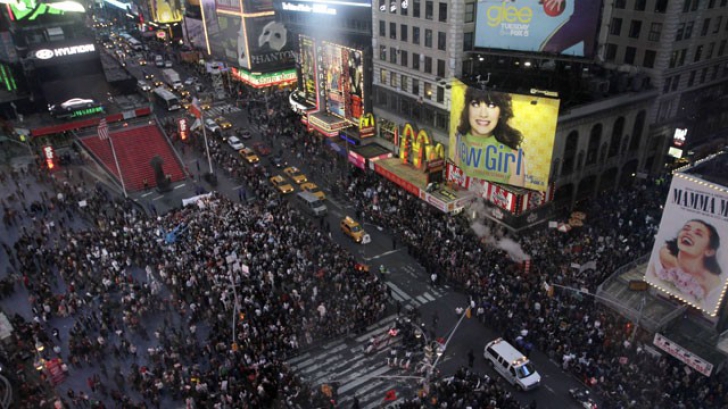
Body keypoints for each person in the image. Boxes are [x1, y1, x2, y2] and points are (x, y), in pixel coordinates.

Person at [453, 87, 526, 187]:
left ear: (501, 112)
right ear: (467, 109)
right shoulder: (460, 140)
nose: (483, 114)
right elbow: (455, 183)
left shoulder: (514, 158)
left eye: (491, 105)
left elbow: (513, 197)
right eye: (475, 104)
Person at [649, 219, 723, 308]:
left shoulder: (713, 287)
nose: (688, 233)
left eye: (698, 234)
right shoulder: (664, 254)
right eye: (686, 229)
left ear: (709, 251)